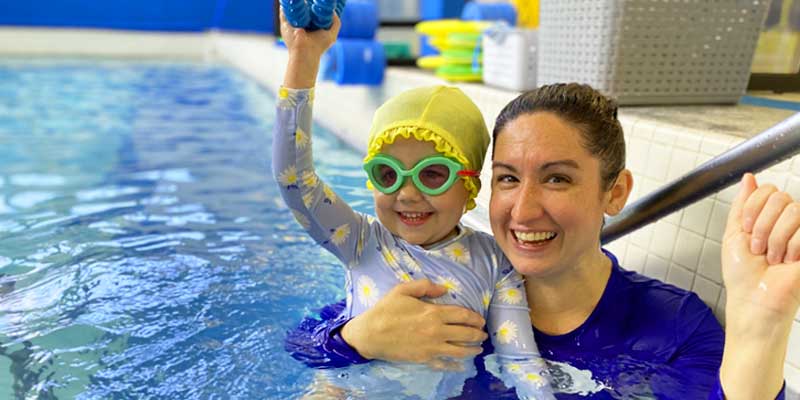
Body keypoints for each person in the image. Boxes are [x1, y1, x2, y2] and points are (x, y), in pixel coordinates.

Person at [285, 83, 800, 399]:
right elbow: (304, 341)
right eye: (508, 179)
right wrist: (354, 341)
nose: (524, 209)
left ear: (614, 192)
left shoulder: (672, 330)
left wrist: (761, 330)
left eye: (557, 179)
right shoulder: (450, 292)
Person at [273, 11, 554, 400]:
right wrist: (302, 61)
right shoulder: (360, 240)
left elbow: (520, 361)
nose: (406, 194)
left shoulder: (493, 262)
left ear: (469, 183)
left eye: (432, 174)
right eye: (388, 174)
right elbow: (294, 180)